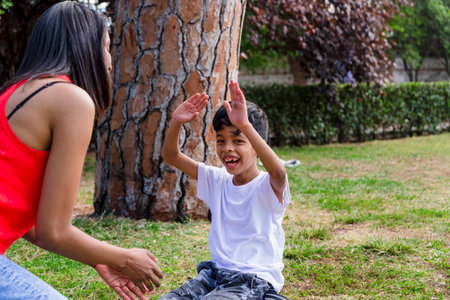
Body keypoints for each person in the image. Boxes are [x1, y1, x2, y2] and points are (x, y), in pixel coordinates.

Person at [0, 2, 163, 299]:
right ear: (85, 47)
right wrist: (124, 258)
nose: (110, 60)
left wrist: (96, 257)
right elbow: (54, 231)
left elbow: (19, 215)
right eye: (107, 46)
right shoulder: (71, 100)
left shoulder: (14, 92)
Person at [160, 80, 291, 299]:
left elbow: (279, 172)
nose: (227, 147)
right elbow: (171, 156)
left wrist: (246, 126)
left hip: (252, 279)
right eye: (221, 140)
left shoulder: (268, 184)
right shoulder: (217, 180)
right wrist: (175, 122)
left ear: (257, 147)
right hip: (212, 276)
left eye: (238, 141)